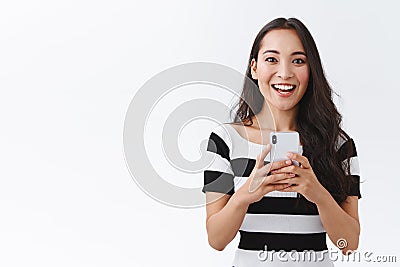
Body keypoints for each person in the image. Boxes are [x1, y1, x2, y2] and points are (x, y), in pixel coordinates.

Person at [202, 17, 361, 266]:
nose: (285, 73)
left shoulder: (338, 144)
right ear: (254, 68)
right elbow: (217, 239)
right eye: (271, 59)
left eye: (298, 60)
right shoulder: (225, 141)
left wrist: (317, 193)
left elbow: (349, 244)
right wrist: (246, 194)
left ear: (311, 70)